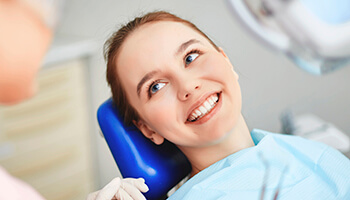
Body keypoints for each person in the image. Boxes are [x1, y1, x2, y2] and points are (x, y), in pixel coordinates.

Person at [97, 10, 350, 200]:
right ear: (147, 129)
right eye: (156, 86)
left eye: (190, 56)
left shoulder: (310, 152)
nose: (187, 87)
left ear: (225, 61)